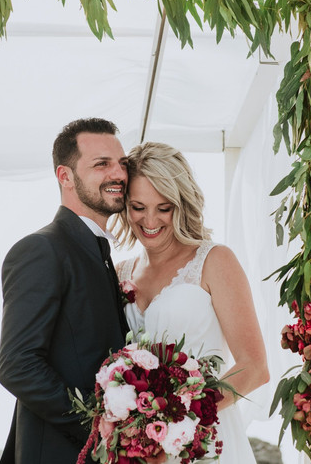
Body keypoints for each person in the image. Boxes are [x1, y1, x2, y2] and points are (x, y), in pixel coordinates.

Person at [113, 142, 269, 463]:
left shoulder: (215, 260)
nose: (150, 219)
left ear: (181, 204)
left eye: (164, 207)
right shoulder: (118, 274)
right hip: (141, 449)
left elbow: (254, 368)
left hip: (206, 441)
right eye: (138, 206)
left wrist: (174, 420)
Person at [0, 118, 130, 464]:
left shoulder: (101, 256)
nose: (118, 174)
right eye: (101, 164)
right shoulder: (42, 250)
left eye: (122, 163)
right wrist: (98, 426)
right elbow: (18, 366)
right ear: (65, 176)